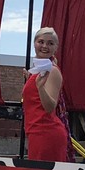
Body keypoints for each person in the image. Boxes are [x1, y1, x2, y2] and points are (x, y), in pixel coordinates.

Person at [22, 27, 71, 162]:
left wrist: (40, 87)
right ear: (35, 44)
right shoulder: (39, 72)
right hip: (36, 132)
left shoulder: (52, 71)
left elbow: (49, 107)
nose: (45, 46)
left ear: (56, 48)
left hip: (45, 133)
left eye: (50, 43)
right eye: (41, 42)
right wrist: (32, 82)